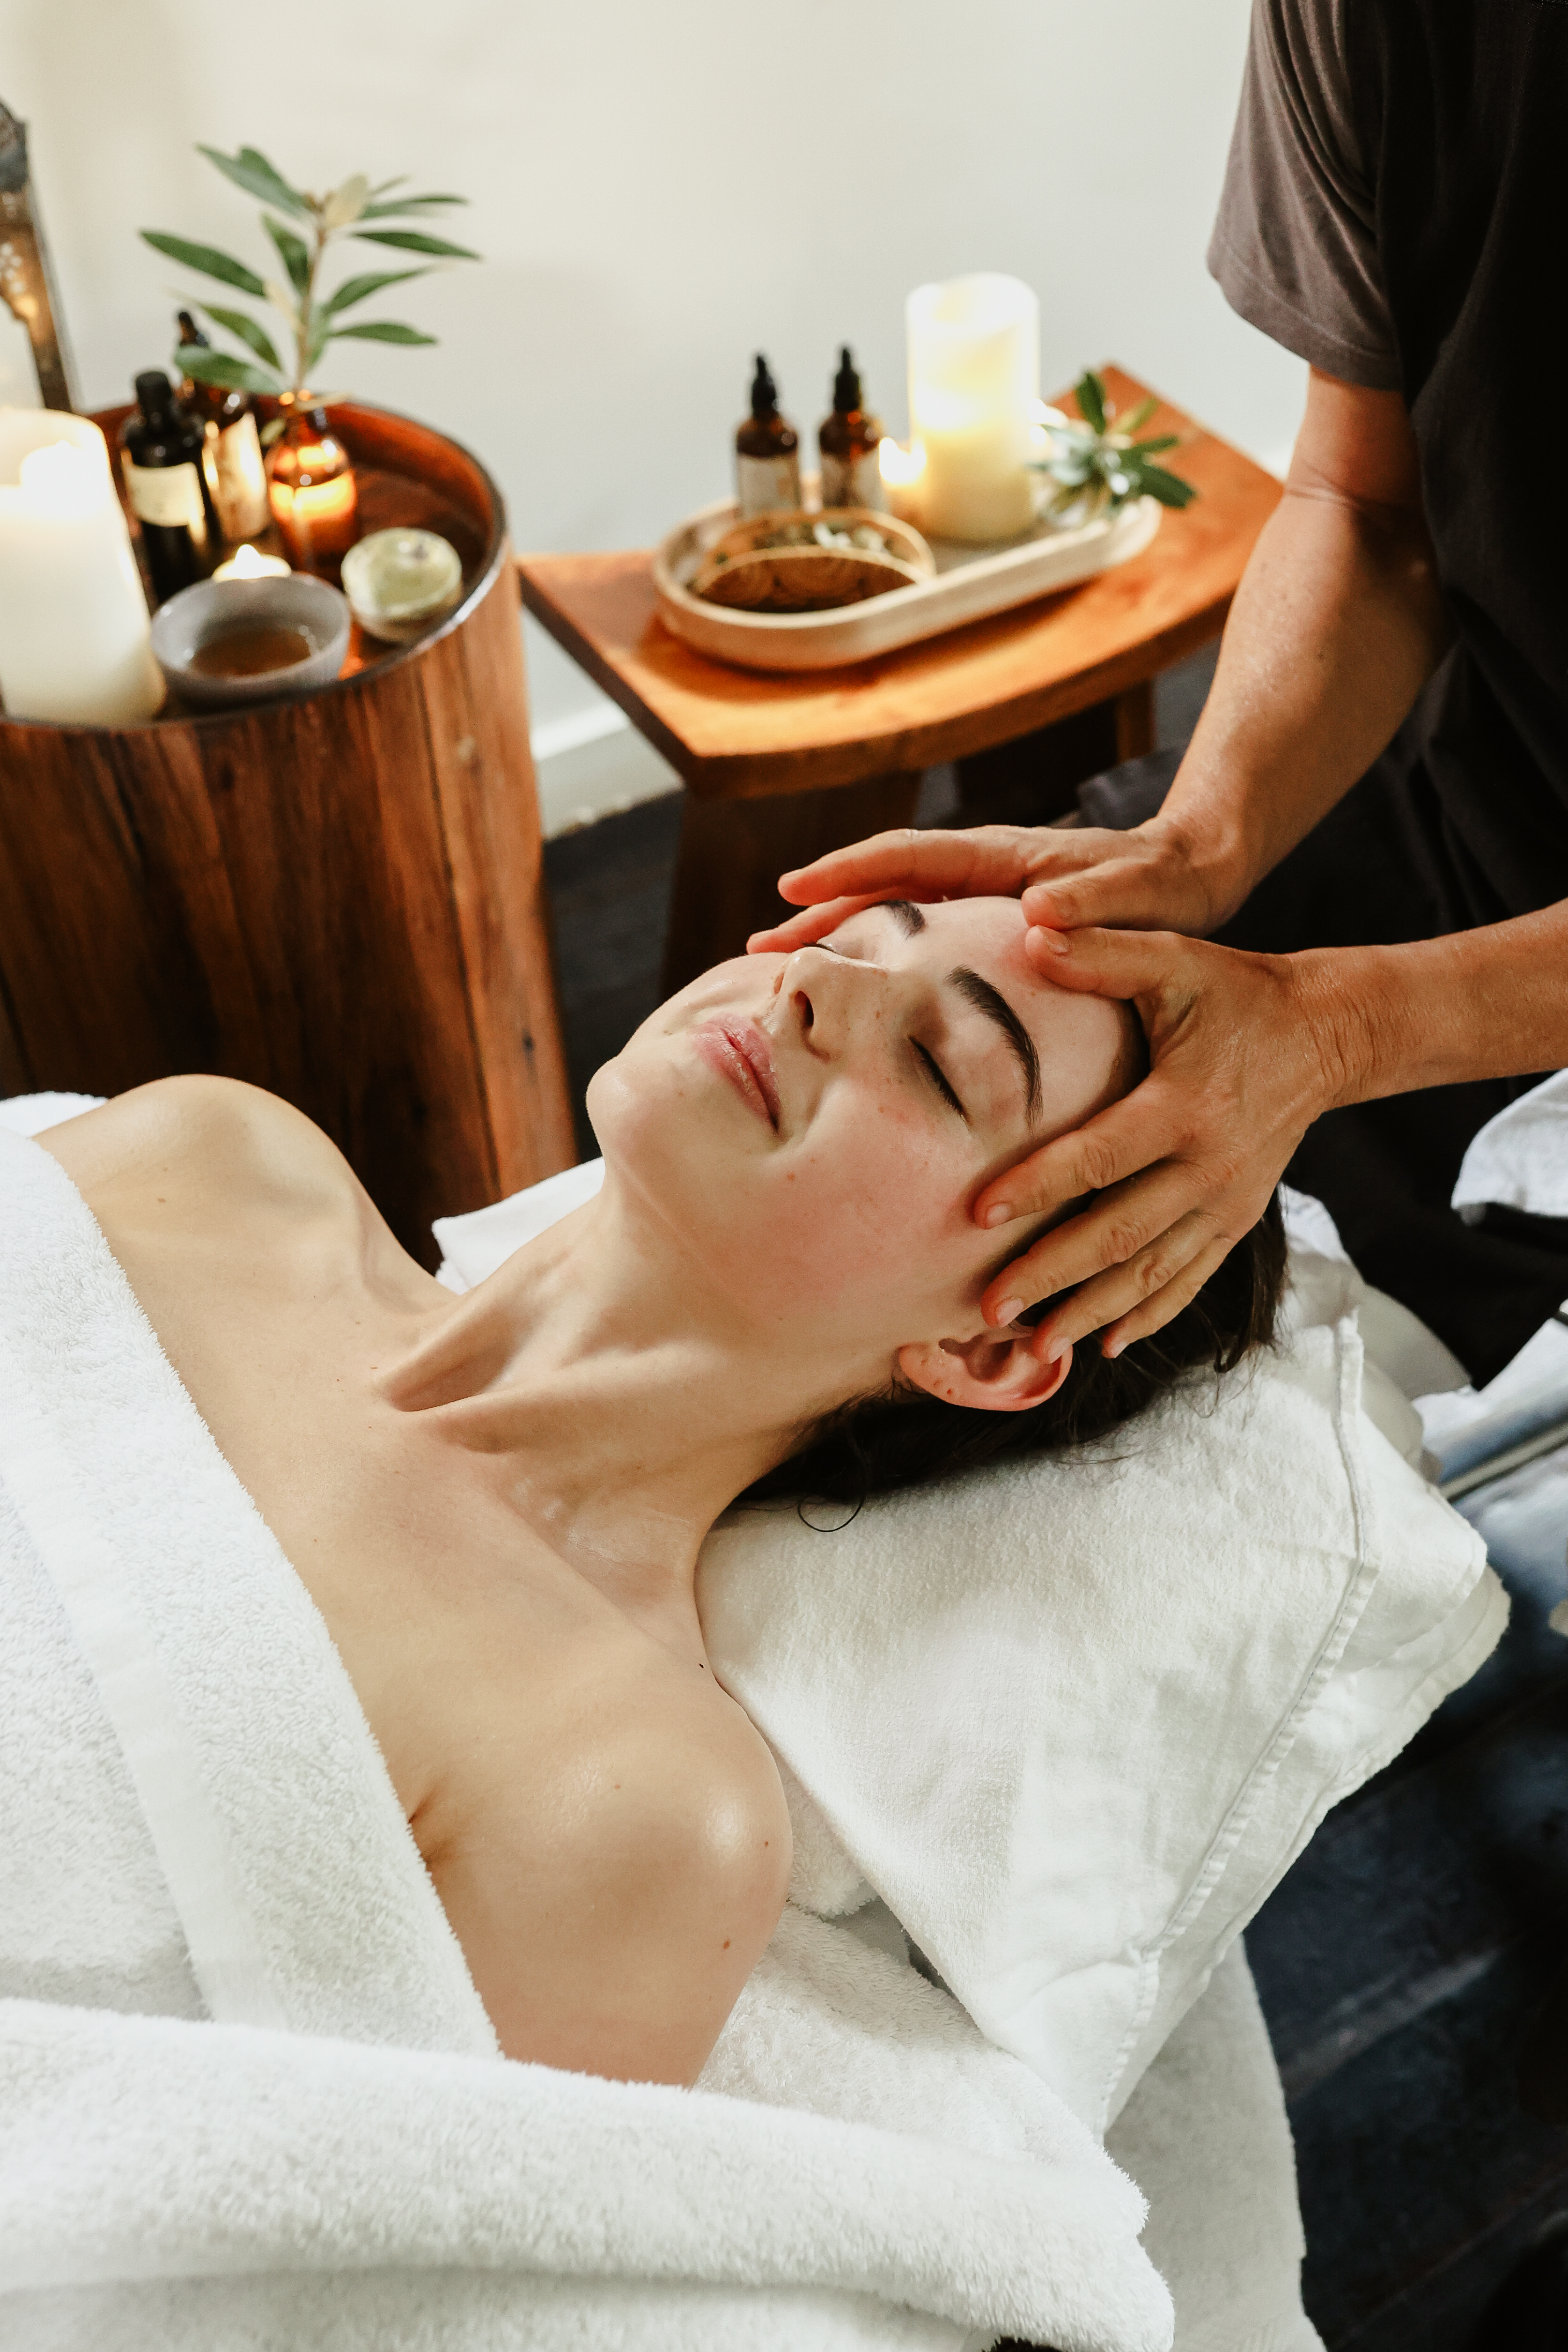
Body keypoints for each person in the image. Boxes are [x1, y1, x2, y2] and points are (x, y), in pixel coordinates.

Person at [35, 897, 1285, 2091]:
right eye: (851, 940)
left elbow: (333, 2241)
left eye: (943, 1063)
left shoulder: (635, 1794)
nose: (815, 989)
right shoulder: (213, 1164)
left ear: (989, 1345)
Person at [753, 0, 1568, 1403]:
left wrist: (1344, 1029)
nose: (812, 995)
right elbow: (1372, 505)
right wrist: (1206, 842)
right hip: (1465, 784)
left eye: (956, 1066)